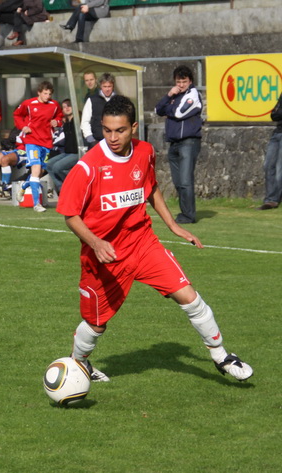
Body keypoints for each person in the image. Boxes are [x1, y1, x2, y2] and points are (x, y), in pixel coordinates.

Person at [56, 95, 252, 385]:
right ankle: (79, 364)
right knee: (96, 324)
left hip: (142, 243)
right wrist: (96, 243)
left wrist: (173, 225)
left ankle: (221, 356)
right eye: (107, 130)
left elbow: (150, 188)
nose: (112, 137)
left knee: (189, 297)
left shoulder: (145, 152)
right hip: (105, 257)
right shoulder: (88, 167)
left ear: (133, 127)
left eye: (120, 130)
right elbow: (70, 214)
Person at [155, 65, 203, 224]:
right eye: (178, 82)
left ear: (190, 81)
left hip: (188, 142)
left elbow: (178, 113)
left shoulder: (193, 94)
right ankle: (184, 213)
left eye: (184, 81)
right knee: (178, 182)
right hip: (174, 143)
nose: (181, 85)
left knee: (185, 181)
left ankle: (189, 215)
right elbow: (158, 110)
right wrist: (168, 95)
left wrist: (168, 108)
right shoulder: (174, 95)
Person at [14, 80, 63, 212]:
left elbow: (60, 117)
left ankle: (24, 186)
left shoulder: (54, 105)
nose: (47, 96)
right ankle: (37, 204)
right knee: (36, 169)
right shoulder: (29, 104)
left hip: (46, 142)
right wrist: (23, 127)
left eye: (49, 94)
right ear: (39, 93)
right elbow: (17, 115)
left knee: (40, 172)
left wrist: (57, 122)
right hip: (32, 141)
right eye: (45, 93)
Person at [46, 99, 80, 195]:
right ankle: (62, 189)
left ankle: (75, 185)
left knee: (57, 167)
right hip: (67, 152)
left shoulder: (78, 120)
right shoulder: (65, 123)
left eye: (69, 105)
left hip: (77, 152)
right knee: (48, 165)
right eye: (64, 107)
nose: (67, 108)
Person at [257, 94, 282, 210]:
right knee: (268, 165)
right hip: (277, 133)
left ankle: (273, 200)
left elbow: (277, 113)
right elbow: (273, 115)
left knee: (279, 168)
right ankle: (270, 198)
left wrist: (279, 113)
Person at [81, 72, 116, 149]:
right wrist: (90, 138)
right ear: (101, 86)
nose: (107, 89)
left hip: (115, 142)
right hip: (96, 142)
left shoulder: (118, 100)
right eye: (105, 86)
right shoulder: (92, 100)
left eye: (109, 86)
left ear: (113, 86)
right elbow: (85, 121)